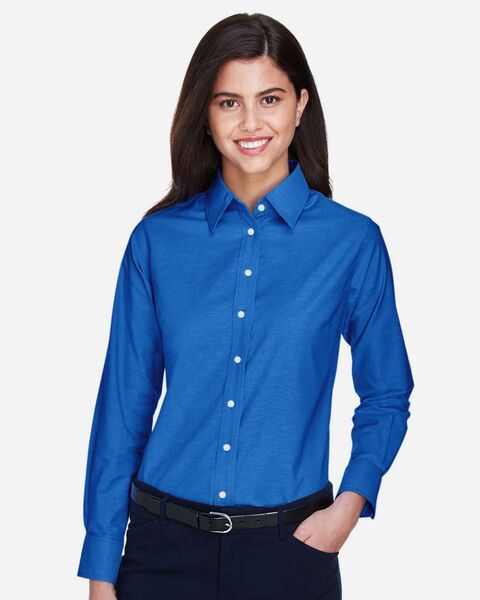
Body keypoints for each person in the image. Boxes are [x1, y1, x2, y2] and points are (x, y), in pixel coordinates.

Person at [77, 12, 414, 600]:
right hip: (161, 551)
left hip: (292, 552)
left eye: (270, 99)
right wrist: (102, 563)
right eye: (229, 102)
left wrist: (350, 504)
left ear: (300, 105)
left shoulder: (351, 242)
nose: (251, 122)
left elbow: (387, 391)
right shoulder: (157, 242)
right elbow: (123, 408)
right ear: (204, 115)